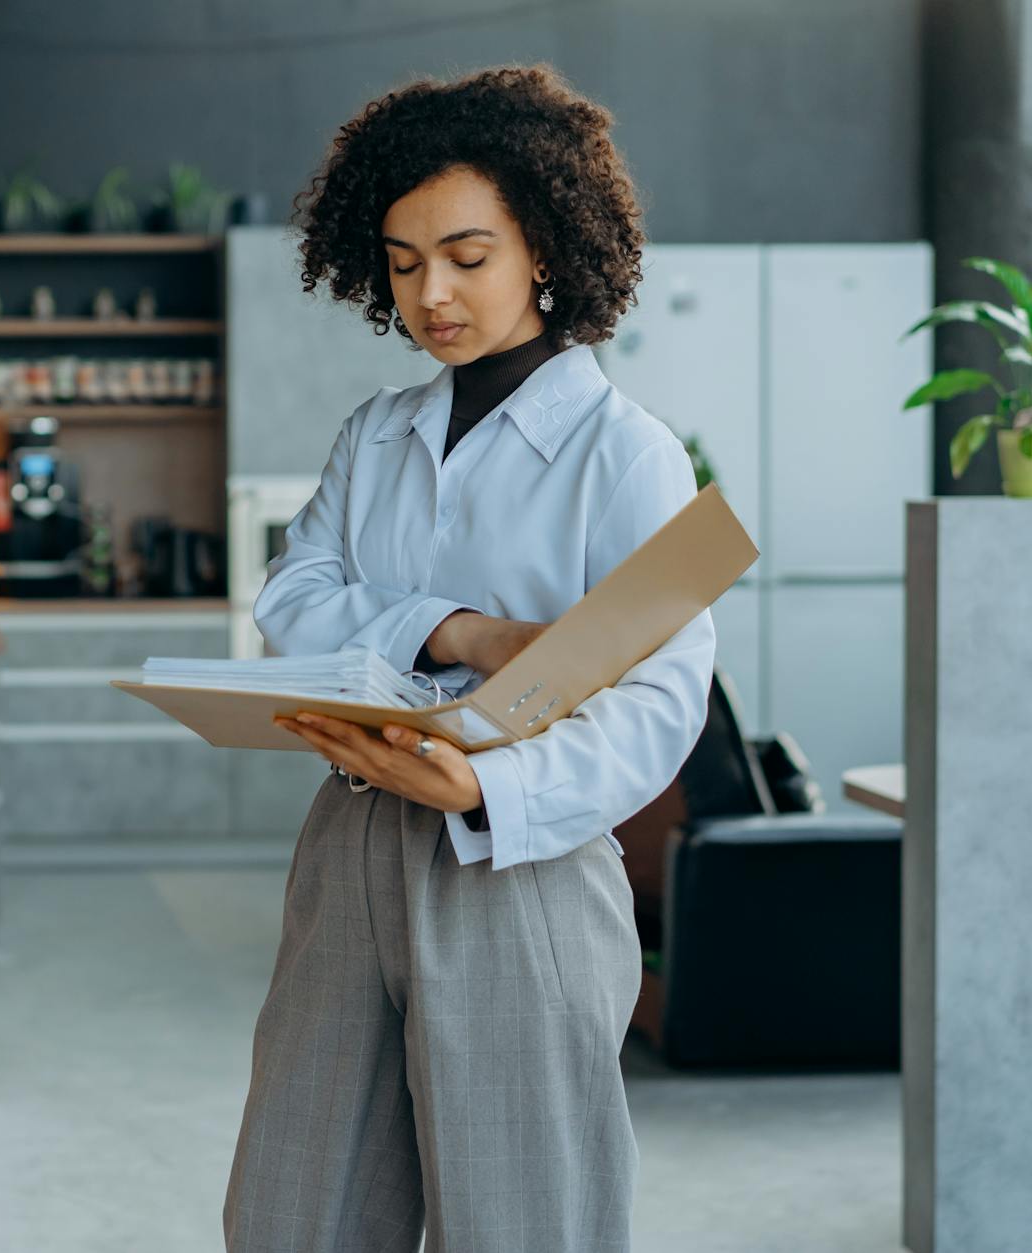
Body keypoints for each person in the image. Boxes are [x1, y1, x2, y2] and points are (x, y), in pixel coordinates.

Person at [223, 64, 715, 1252]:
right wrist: (460, 632)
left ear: (541, 245)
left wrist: (485, 782)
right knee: (294, 1210)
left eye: (464, 254)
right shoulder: (374, 433)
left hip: (518, 868)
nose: (429, 292)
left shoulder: (626, 454)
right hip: (348, 848)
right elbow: (292, 599)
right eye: (400, 263)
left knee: (521, 1216)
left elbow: (658, 697)